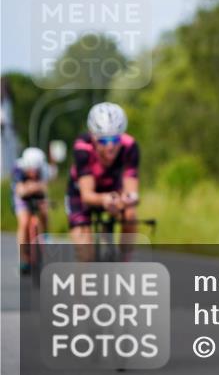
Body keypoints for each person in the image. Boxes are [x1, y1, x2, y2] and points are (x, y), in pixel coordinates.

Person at [66, 102, 141, 260]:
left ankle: (124, 262)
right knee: (86, 256)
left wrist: (125, 200)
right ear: (93, 137)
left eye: (115, 139)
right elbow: (87, 195)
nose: (111, 147)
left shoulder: (130, 146)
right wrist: (104, 200)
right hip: (81, 193)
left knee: (130, 214)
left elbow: (131, 192)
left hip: (112, 188)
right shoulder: (82, 148)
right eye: (104, 141)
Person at [12, 147, 52, 275]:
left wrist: (32, 187)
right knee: (24, 222)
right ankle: (23, 256)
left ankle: (45, 236)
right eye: (31, 170)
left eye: (36, 170)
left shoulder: (44, 169)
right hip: (21, 197)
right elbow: (20, 191)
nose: (33, 173)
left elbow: (45, 189)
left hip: (37, 194)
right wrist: (34, 187)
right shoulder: (18, 168)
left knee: (44, 212)